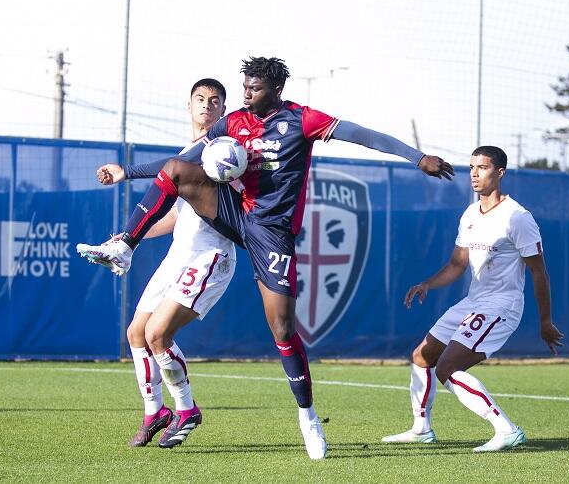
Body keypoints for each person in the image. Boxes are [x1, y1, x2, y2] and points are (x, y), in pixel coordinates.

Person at [77, 56, 455, 460]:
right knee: (175, 168)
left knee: (282, 329)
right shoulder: (234, 122)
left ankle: (308, 417)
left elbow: (360, 134)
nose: (245, 94)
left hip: (271, 231)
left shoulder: (301, 120)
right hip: (232, 211)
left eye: (253, 88)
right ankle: (124, 247)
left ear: (275, 90)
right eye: (244, 87)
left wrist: (417, 158)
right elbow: (186, 158)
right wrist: (127, 171)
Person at [84, 78, 236, 449]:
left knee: (157, 335)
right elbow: (174, 218)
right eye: (199, 99)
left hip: (210, 255)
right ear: (188, 106)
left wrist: (127, 170)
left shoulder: (221, 148)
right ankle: (155, 412)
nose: (206, 106)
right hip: (179, 255)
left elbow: (173, 167)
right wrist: (126, 236)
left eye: (215, 101)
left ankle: (186, 409)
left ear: (224, 111)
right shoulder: (190, 149)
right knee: (137, 333)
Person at [381, 145, 564, 452]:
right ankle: (421, 429)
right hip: (474, 301)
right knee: (422, 356)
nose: (475, 174)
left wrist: (545, 321)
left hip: (501, 307)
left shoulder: (517, 217)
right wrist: (427, 284)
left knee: (448, 368)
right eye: (471, 168)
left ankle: (507, 430)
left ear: (500, 173)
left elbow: (539, 273)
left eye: (483, 167)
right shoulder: (469, 214)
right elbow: (457, 264)